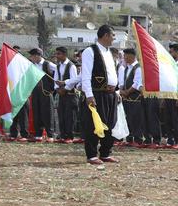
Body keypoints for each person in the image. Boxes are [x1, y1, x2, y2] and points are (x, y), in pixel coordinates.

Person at [79, 25, 120, 165]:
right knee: (94, 124)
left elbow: (113, 74)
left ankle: (105, 153)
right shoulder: (90, 52)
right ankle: (91, 155)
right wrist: (89, 95)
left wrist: (117, 91)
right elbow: (85, 75)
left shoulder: (109, 53)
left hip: (111, 94)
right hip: (97, 94)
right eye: (113, 35)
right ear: (106, 35)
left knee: (110, 124)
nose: (114, 38)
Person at [28, 48, 56, 141]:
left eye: (32, 56)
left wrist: (53, 88)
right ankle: (38, 134)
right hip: (35, 92)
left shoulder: (48, 64)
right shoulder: (32, 65)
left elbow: (58, 73)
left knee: (48, 113)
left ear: (37, 55)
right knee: (37, 112)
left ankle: (50, 135)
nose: (30, 58)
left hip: (46, 92)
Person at [53, 47, 79, 143]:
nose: (57, 56)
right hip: (61, 94)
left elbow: (73, 80)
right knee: (61, 114)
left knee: (70, 116)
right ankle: (63, 135)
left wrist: (65, 89)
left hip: (70, 95)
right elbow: (55, 80)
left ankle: (69, 136)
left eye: (58, 54)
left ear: (64, 54)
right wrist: (57, 89)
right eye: (56, 54)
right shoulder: (58, 66)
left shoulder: (71, 66)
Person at [118, 48, 144, 148]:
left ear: (132, 56)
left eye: (126, 55)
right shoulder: (126, 68)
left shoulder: (137, 68)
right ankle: (129, 138)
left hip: (135, 98)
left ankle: (138, 139)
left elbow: (137, 83)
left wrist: (126, 92)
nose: (124, 58)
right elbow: (122, 82)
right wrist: (121, 90)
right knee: (128, 119)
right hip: (126, 98)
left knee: (136, 119)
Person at [164, 42, 178, 149]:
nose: (170, 53)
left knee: (177, 119)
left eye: (171, 52)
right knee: (168, 119)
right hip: (168, 95)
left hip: (177, 96)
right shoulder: (169, 65)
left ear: (177, 52)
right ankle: (170, 139)